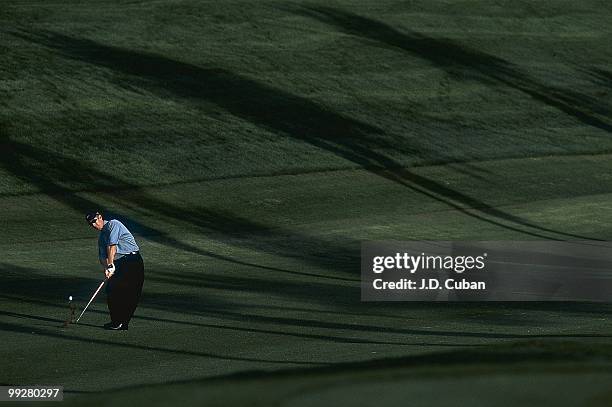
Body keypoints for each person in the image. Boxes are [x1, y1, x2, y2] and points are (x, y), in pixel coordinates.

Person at [86, 211, 144, 330]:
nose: (93, 225)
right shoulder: (101, 237)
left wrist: (111, 264)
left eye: (94, 221)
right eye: (90, 223)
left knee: (131, 293)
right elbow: (102, 257)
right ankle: (116, 321)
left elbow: (112, 246)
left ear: (100, 217)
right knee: (111, 290)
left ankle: (122, 322)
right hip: (119, 264)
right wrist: (107, 268)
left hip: (132, 261)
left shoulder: (113, 224)